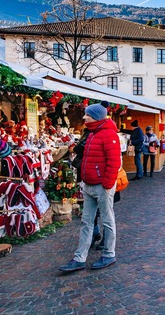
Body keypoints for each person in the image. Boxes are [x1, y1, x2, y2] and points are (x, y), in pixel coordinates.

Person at [59, 101, 121, 272]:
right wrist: (84, 181)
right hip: (89, 184)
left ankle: (109, 254)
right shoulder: (93, 133)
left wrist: (107, 185)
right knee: (86, 222)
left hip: (102, 186)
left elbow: (114, 162)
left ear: (95, 117)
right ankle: (80, 258)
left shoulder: (109, 135)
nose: (84, 117)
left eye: (87, 114)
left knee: (107, 221)